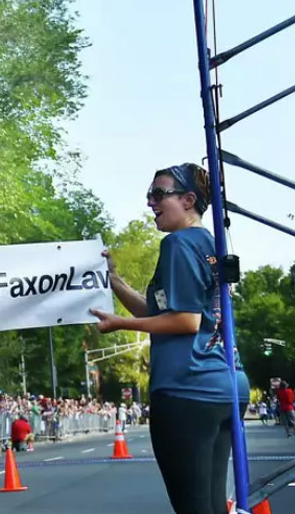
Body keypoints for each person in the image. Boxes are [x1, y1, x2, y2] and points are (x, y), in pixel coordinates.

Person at [91, 163, 250, 514]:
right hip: (227, 385)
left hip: (187, 387)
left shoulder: (178, 244)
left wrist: (120, 324)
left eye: (159, 194)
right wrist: (115, 281)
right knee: (212, 506)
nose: (150, 202)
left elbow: (185, 321)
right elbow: (160, 312)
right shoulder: (210, 243)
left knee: (193, 507)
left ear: (188, 199)